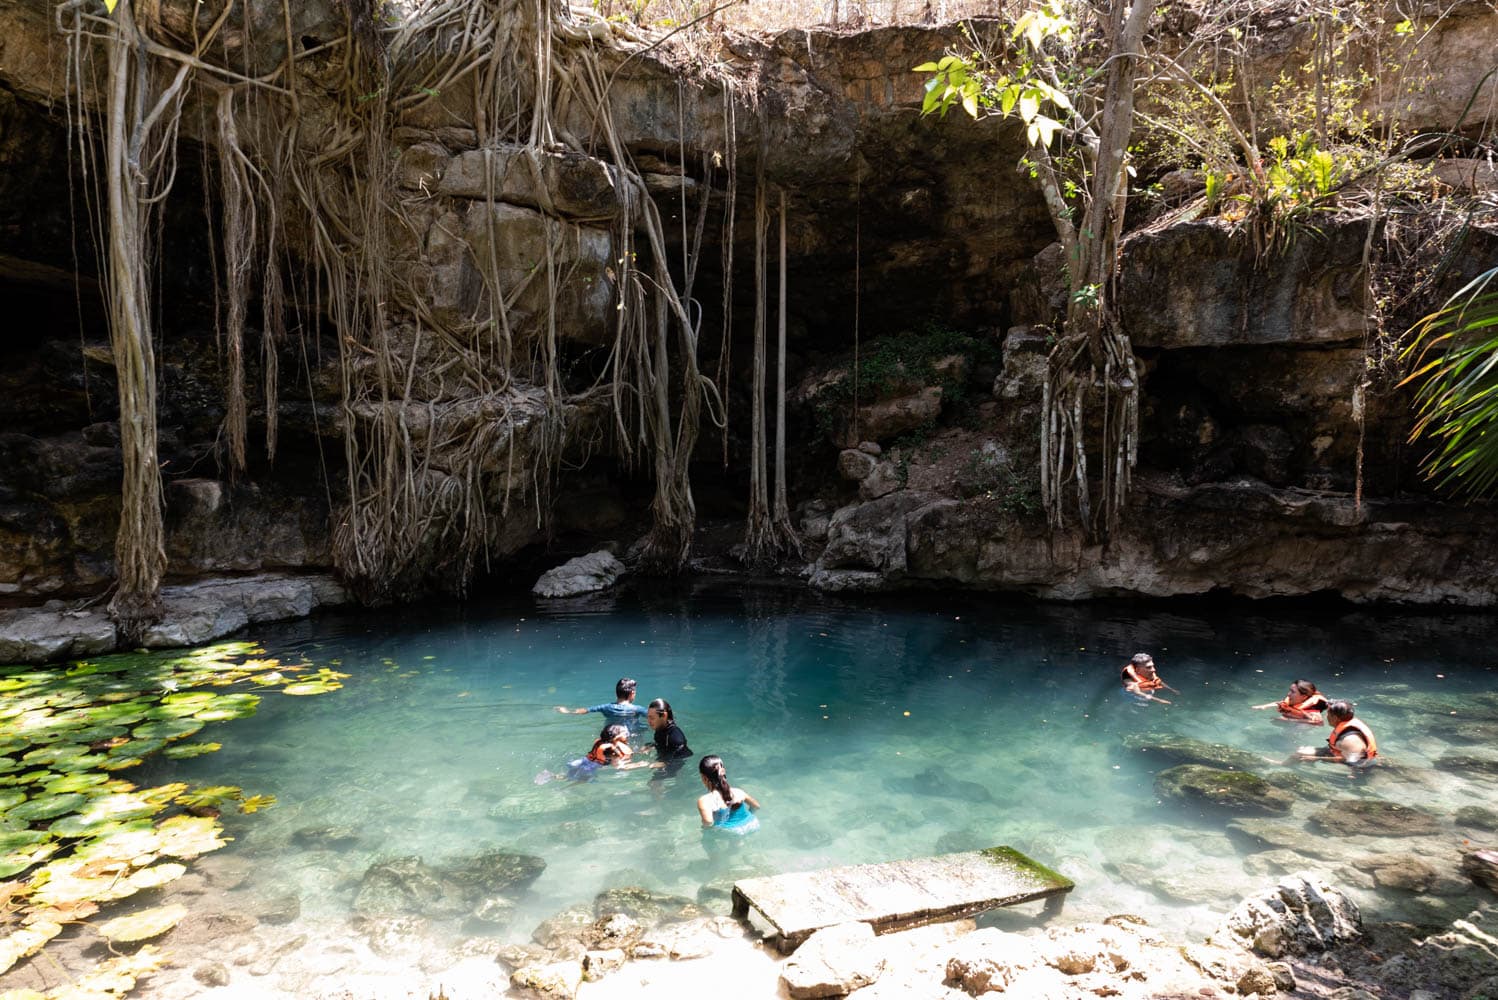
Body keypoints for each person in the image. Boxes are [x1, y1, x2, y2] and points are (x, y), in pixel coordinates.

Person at [1296, 701, 1378, 766]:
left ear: (1335, 718)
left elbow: (1352, 762)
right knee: (1301, 751)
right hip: (1339, 752)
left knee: (1302, 754)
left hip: (1357, 765)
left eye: (1328, 714)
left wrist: (1317, 758)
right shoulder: (1345, 724)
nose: (1326, 716)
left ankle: (1285, 767)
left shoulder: (1350, 740)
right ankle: (1284, 765)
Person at [696, 755, 760, 833]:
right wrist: (746, 818)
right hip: (752, 824)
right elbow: (756, 806)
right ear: (723, 772)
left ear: (704, 777)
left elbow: (708, 822)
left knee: (706, 835)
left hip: (732, 831)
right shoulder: (738, 791)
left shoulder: (704, 800)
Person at [556, 678, 648, 722]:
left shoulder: (606, 707)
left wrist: (566, 711)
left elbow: (585, 710)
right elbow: (652, 716)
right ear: (632, 693)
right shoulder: (637, 709)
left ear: (616, 693)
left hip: (610, 735)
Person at [641, 699, 692, 774]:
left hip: (678, 766)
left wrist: (665, 763)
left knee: (653, 783)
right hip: (666, 759)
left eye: (652, 718)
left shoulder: (675, 736)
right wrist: (650, 746)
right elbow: (661, 744)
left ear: (664, 716)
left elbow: (685, 754)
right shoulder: (660, 729)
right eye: (648, 717)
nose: (648, 721)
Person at [1253, 679, 1330, 724]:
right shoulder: (1292, 700)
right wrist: (1265, 706)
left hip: (1300, 731)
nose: (1288, 694)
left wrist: (1289, 720)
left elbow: (1319, 723)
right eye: (1290, 690)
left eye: (1292, 692)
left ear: (1304, 696)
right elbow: (1281, 703)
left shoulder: (1312, 710)